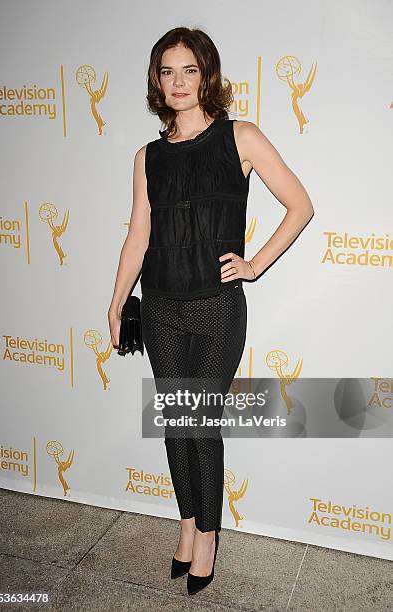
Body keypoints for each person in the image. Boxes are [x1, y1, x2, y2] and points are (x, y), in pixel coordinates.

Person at [108, 27, 314, 596]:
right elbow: (138, 234)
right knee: (177, 421)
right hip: (163, 309)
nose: (178, 82)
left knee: (200, 423)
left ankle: (209, 536)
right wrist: (119, 295)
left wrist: (256, 264)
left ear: (208, 75)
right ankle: (185, 524)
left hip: (218, 308)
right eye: (167, 71)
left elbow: (301, 205)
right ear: (156, 79)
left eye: (189, 70)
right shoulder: (147, 157)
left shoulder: (239, 137)